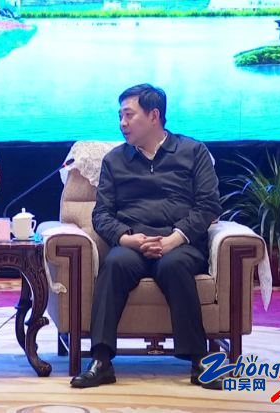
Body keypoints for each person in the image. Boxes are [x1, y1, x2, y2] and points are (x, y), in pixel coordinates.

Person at [70, 84, 225, 390]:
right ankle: (101, 361)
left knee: (174, 266)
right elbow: (101, 214)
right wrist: (127, 238)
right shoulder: (115, 160)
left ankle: (199, 361)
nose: (122, 123)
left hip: (180, 243)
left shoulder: (193, 152)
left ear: (154, 116)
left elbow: (209, 206)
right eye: (120, 116)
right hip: (133, 243)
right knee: (114, 264)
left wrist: (174, 239)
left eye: (129, 115)